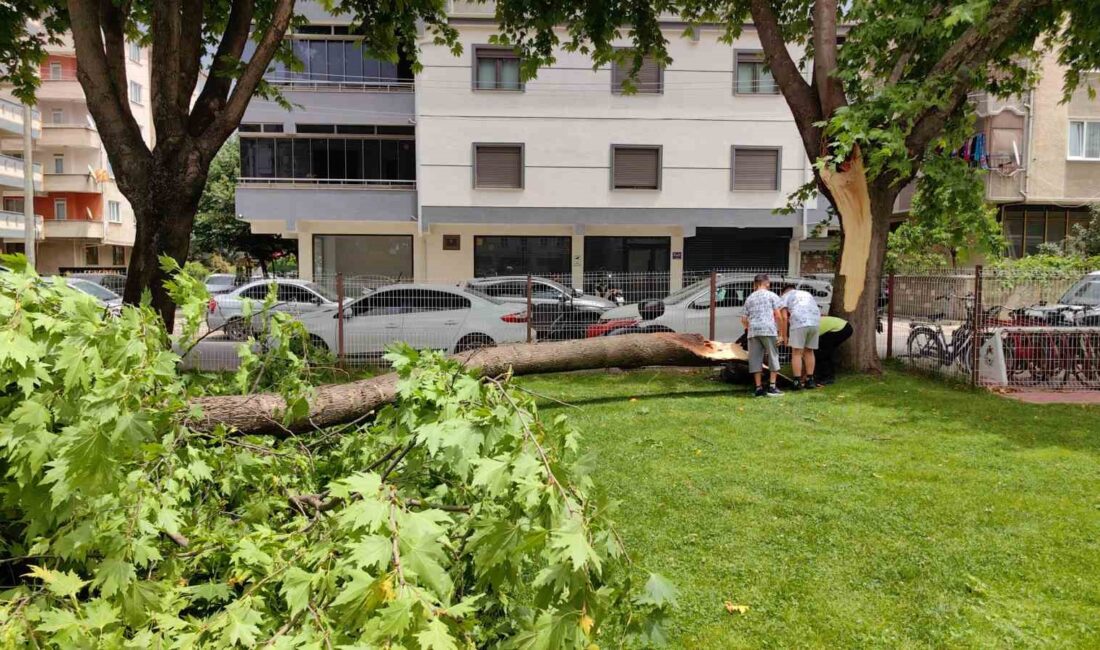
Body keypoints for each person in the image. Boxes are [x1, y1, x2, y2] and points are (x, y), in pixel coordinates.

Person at [740, 273, 786, 397]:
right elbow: (778, 315)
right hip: (768, 330)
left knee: (755, 359)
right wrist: (781, 334)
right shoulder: (772, 295)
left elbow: (743, 319)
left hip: (753, 331)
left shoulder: (750, 298)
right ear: (767, 283)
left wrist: (749, 328)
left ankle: (758, 388)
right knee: (773, 356)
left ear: (755, 284)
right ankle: (772, 386)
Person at [779, 283, 821, 390]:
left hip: (799, 322)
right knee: (809, 351)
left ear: (783, 292)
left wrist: (784, 336)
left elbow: (783, 317)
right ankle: (810, 380)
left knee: (796, 352)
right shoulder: (806, 293)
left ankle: (797, 381)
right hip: (815, 322)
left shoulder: (785, 296)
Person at [816, 315, 853, 384]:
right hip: (844, 326)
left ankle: (826, 377)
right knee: (825, 351)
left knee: (822, 353)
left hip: (839, 329)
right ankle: (825, 376)